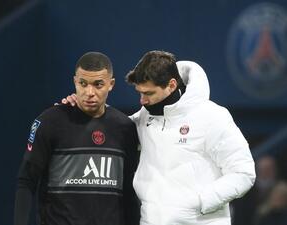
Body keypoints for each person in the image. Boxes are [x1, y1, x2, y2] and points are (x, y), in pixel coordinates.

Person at [63, 50, 256, 225]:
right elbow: (112, 127)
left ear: (171, 85)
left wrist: (198, 202)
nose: (142, 100)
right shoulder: (146, 115)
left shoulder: (213, 116)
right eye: (139, 93)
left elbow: (243, 174)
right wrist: (78, 108)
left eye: (149, 93)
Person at [14, 52, 140, 225]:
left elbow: (129, 191)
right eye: (83, 84)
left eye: (98, 84)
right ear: (75, 82)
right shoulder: (49, 122)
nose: (89, 92)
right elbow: (26, 181)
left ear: (111, 84)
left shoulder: (125, 128)